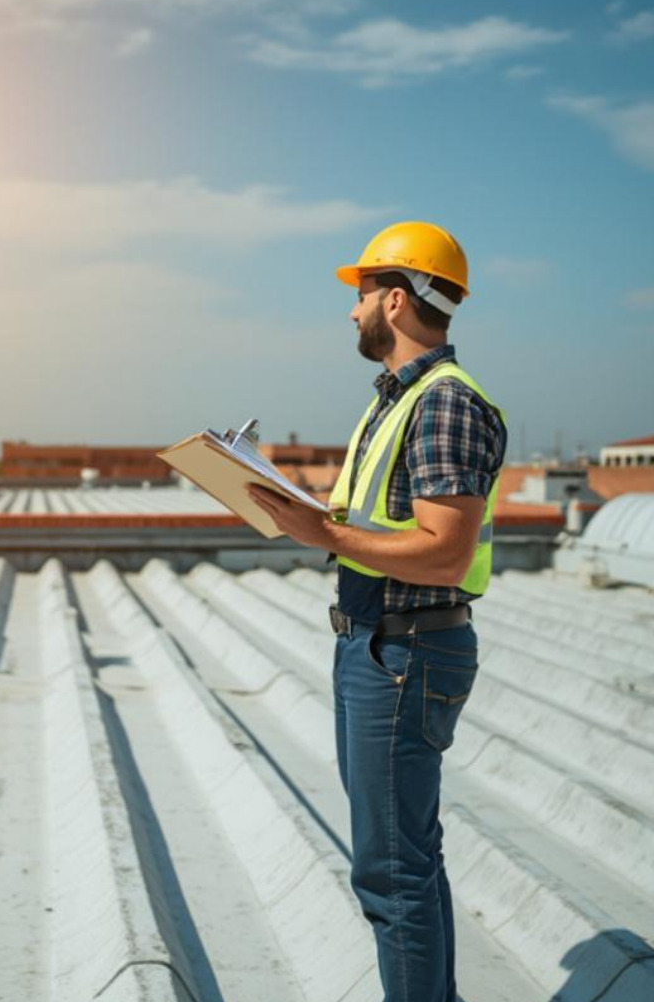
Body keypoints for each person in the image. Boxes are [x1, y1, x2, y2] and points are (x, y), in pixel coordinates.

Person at [246, 220, 507, 1002]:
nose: (350, 313)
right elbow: (369, 524)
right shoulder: (398, 402)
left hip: (404, 655)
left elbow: (445, 551)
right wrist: (291, 507)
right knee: (407, 860)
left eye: (360, 297)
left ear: (394, 301)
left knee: (391, 873)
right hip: (380, 648)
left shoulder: (443, 405)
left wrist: (321, 531)